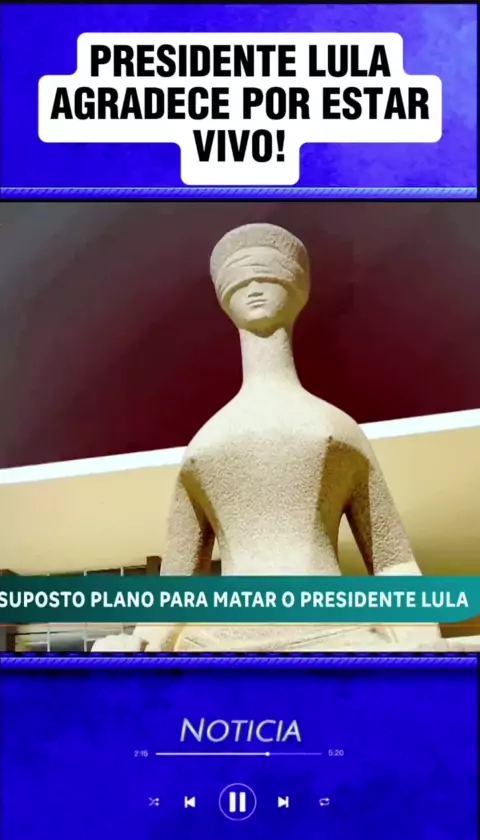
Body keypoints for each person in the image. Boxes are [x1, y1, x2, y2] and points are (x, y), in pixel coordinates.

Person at [93, 223, 443, 652]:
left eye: (266, 278)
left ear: (297, 289)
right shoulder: (206, 445)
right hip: (222, 640)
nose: (255, 289)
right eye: (243, 282)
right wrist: (144, 639)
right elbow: (180, 581)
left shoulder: (335, 429)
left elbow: (392, 559)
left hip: (333, 631)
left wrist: (421, 636)